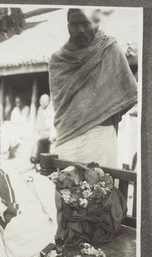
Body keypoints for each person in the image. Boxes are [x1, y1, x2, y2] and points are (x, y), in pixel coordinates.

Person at [49, 9, 137, 168]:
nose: (80, 30)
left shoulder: (110, 50)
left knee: (103, 188)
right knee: (66, 187)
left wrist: (102, 109)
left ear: (95, 24)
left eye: (86, 23)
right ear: (68, 27)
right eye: (75, 25)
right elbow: (59, 104)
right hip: (68, 137)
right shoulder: (58, 60)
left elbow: (127, 93)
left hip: (101, 136)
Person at [30, 94, 56, 164]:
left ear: (48, 101)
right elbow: (38, 123)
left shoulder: (51, 109)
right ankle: (35, 159)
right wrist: (37, 131)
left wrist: (51, 134)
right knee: (35, 138)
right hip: (42, 131)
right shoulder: (40, 109)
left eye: (44, 101)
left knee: (38, 139)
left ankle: (35, 158)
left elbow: (52, 124)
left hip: (50, 131)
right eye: (41, 101)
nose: (42, 103)